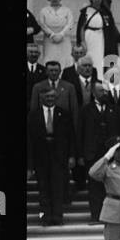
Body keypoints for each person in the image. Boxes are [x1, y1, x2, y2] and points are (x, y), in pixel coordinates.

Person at [27, 85, 76, 226]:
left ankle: (57, 217)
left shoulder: (64, 113)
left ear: (56, 97)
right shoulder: (33, 115)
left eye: (52, 96)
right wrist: (30, 164)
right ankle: (45, 217)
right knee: (43, 189)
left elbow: (71, 136)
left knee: (58, 187)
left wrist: (71, 156)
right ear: (41, 98)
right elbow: (29, 140)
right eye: (47, 97)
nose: (50, 99)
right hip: (41, 157)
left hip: (59, 156)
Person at [80, 83, 120, 224]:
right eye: (101, 91)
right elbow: (80, 133)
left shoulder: (115, 109)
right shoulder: (86, 110)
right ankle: (96, 216)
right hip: (92, 153)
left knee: (112, 185)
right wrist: (81, 154)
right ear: (93, 93)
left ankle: (110, 217)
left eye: (105, 91)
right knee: (94, 186)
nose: (104, 93)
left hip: (111, 154)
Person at [76, 0, 120, 75]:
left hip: (100, 37)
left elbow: (110, 28)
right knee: (88, 56)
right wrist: (82, 41)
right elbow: (81, 27)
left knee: (99, 58)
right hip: (89, 36)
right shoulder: (86, 11)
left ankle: (99, 77)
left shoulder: (106, 12)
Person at [39, 0, 74, 68]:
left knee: (65, 59)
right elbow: (42, 24)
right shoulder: (44, 10)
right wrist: (52, 35)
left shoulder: (67, 10)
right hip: (50, 39)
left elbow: (70, 24)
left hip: (64, 39)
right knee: (50, 58)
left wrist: (61, 34)